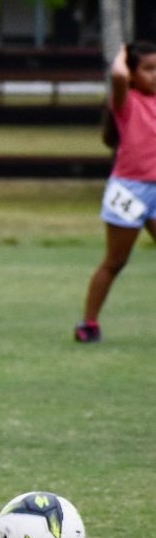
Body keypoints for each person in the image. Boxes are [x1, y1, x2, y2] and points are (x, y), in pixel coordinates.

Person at [76, 41, 156, 343]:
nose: (155, 75)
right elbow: (119, 77)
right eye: (148, 69)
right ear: (134, 74)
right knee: (115, 261)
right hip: (130, 191)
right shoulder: (127, 103)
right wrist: (122, 54)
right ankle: (89, 323)